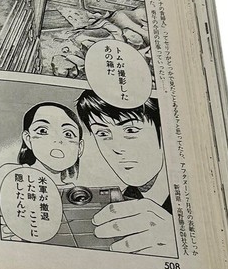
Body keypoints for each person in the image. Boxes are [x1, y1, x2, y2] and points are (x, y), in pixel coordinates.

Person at [75, 91, 175, 255]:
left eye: (130, 130)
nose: (117, 148)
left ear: (162, 130)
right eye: (103, 134)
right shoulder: (118, 204)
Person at [17, 101, 84, 185]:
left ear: (80, 148)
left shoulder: (75, 190)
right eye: (43, 131)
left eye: (68, 134)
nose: (57, 139)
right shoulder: (13, 177)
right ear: (27, 138)